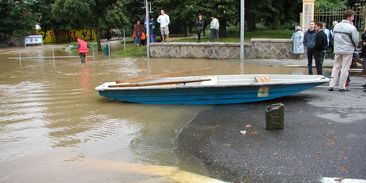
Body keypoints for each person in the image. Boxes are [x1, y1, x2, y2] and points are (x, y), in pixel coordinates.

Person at [328, 10, 359, 92]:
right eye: (352, 16)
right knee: (345, 68)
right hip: (347, 50)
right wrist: (354, 47)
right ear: (349, 17)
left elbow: (333, 37)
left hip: (338, 49)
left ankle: (331, 85)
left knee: (336, 67)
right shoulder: (351, 28)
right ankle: (342, 86)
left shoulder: (336, 26)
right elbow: (356, 40)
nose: (353, 18)